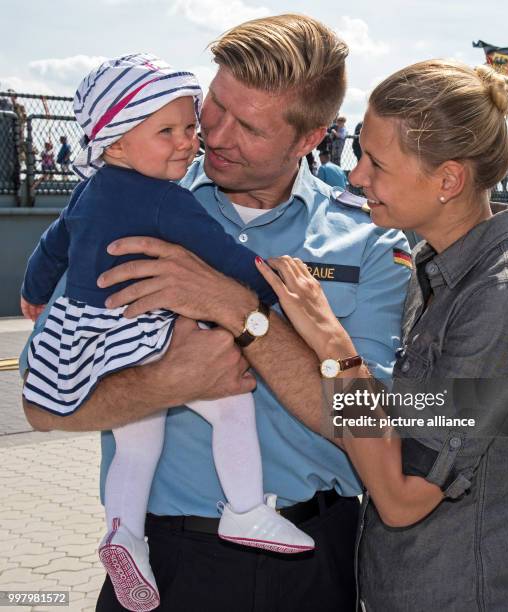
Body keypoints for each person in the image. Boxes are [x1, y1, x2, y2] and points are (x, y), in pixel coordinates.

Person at [21, 15, 411, 612]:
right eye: (214, 106)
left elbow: (367, 420)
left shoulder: (368, 240)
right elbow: (42, 405)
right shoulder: (130, 199)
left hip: (308, 556)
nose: (214, 136)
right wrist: (161, 384)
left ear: (309, 139)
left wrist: (239, 310)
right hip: (162, 561)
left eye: (248, 126)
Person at [252, 60, 508, 610]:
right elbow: (399, 422)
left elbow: (400, 499)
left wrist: (333, 346)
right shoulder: (433, 271)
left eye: (377, 162)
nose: (356, 177)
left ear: (447, 180)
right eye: (358, 155)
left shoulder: (504, 303)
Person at [20, 53, 313, 612]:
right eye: (167, 132)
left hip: (85, 337)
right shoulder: (163, 199)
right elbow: (225, 256)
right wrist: (276, 295)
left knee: (138, 442)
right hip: (137, 332)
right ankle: (247, 509)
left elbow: (53, 243)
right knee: (230, 406)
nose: (189, 143)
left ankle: (124, 534)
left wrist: (34, 292)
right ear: (116, 144)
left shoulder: (91, 189)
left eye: (188, 128)